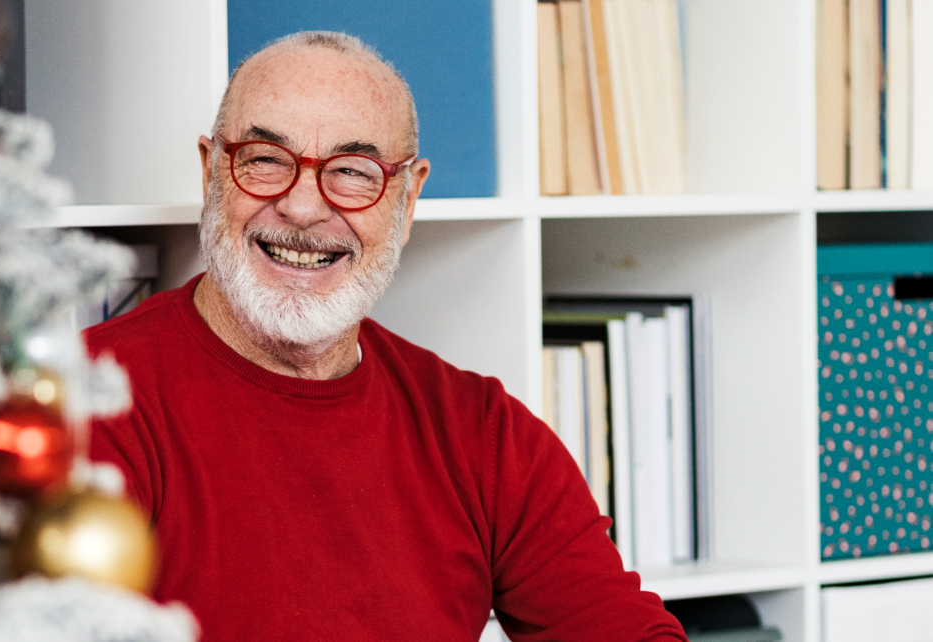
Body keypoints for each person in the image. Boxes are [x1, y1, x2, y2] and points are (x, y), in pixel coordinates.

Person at [87, 30, 688, 642]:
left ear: (408, 201)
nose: (301, 207)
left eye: (353, 172)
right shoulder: (86, 403)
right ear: (212, 171)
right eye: (265, 160)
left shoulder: (482, 434)